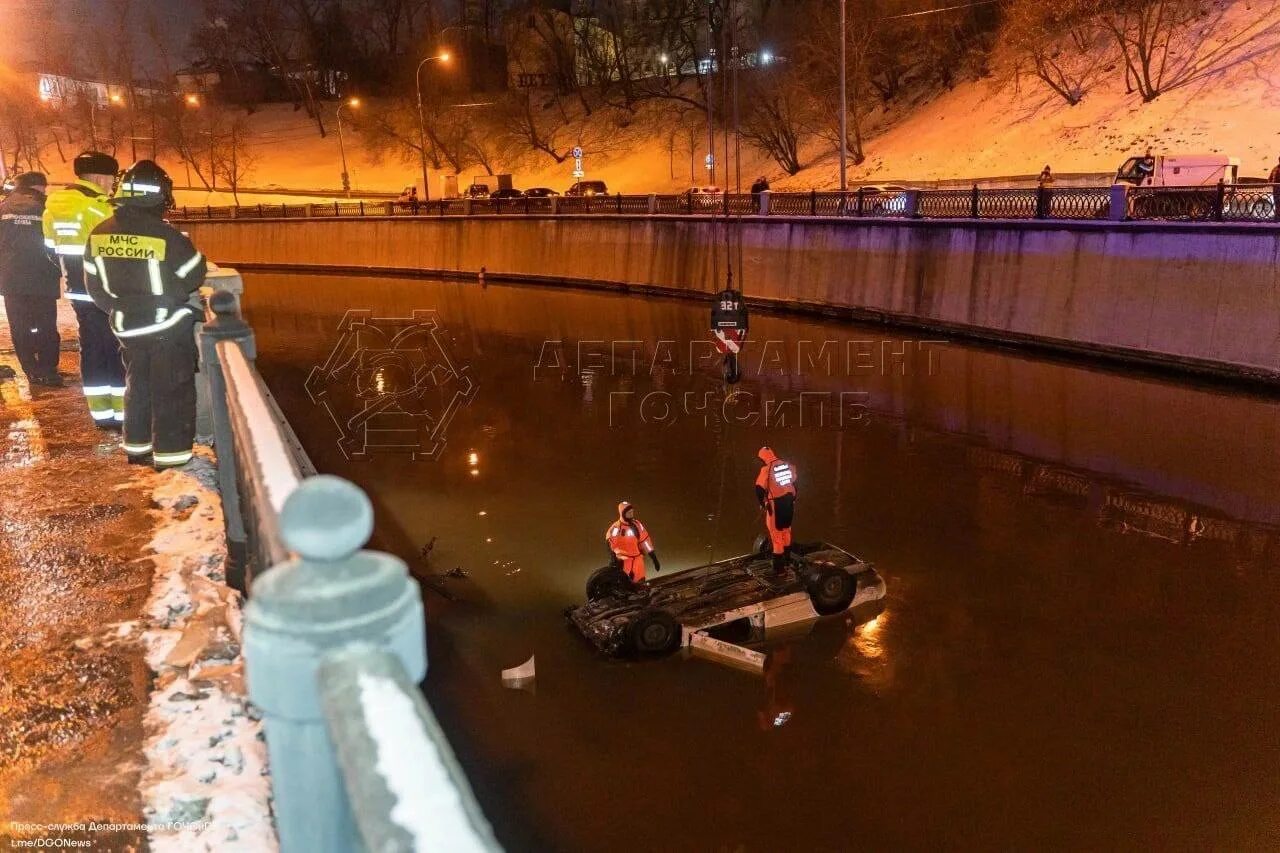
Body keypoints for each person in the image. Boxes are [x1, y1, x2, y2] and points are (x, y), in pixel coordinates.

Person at [84, 160, 207, 469]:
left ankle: (137, 449)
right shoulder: (166, 236)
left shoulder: (99, 233)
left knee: (137, 388)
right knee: (172, 392)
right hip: (166, 327)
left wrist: (119, 308)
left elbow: (94, 286)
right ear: (160, 195)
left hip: (126, 327)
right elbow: (194, 274)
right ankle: (172, 459)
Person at [43, 151, 124, 427]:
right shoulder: (99, 207)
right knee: (116, 349)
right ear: (101, 177)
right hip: (106, 290)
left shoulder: (55, 205)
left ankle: (101, 414)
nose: (113, 185)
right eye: (112, 179)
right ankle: (122, 415)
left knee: (92, 348)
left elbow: (51, 250)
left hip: (78, 290)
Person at [0, 173, 62, 386]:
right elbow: (56, 241)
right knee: (45, 324)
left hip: (11, 279)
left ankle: (31, 369)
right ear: (38, 186)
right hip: (42, 277)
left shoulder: (3, 206)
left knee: (20, 325)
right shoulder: (45, 207)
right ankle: (49, 369)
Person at [755, 446, 797, 573]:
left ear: (763, 458)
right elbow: (794, 482)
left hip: (776, 504)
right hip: (789, 502)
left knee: (776, 535)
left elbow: (759, 488)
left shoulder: (766, 469)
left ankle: (778, 569)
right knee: (786, 530)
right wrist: (793, 498)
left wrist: (762, 503)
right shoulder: (787, 465)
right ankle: (787, 559)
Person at [605, 501, 661, 585]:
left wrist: (653, 557)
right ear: (622, 513)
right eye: (628, 512)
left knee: (640, 581)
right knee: (624, 582)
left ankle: (641, 596)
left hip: (637, 560)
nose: (631, 514)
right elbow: (610, 541)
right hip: (624, 561)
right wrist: (613, 558)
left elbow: (645, 541)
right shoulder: (617, 528)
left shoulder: (637, 525)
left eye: (632, 512)